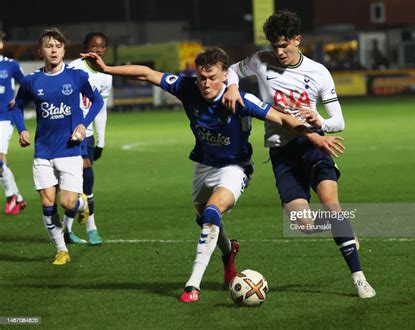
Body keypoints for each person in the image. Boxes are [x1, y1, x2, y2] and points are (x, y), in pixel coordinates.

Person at [82, 47, 344, 302]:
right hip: (204, 165)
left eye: (212, 78)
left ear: (224, 77)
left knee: (211, 212)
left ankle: (192, 284)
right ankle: (229, 252)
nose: (206, 84)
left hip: (235, 168)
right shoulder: (187, 87)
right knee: (204, 218)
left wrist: (315, 137)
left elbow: (283, 118)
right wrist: (107, 68)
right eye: (202, 78)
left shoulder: (241, 100)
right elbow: (147, 74)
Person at [223, 10, 376, 298]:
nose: (279, 52)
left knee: (331, 203)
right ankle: (340, 225)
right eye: (274, 46)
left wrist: (320, 122)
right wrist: (233, 86)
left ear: (297, 40)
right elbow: (231, 69)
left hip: (313, 145)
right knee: (302, 224)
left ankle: (359, 278)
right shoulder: (260, 60)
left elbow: (338, 121)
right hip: (281, 152)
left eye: (284, 45)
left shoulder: (318, 72)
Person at [10, 28, 104, 265]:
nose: (53, 50)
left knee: (68, 203)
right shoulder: (32, 81)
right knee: (47, 203)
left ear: (64, 50)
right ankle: (61, 250)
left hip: (70, 149)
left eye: (57, 46)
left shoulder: (76, 77)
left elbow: (98, 100)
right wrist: (21, 129)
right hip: (42, 152)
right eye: (48, 46)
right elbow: (17, 106)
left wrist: (83, 124)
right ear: (40, 51)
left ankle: (82, 204)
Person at [67, 32, 113, 245]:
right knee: (77, 181)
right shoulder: (74, 68)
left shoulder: (106, 75)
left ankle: (89, 228)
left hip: (88, 136)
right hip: (70, 133)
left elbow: (100, 109)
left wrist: (101, 140)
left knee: (85, 180)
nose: (98, 49)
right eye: (93, 45)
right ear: (85, 47)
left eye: (102, 46)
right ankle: (78, 228)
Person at [0, 31, 27, 215]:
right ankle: (18, 197)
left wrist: (17, 99)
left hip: (4, 118)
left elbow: (26, 85)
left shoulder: (10, 65)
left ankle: (11, 196)